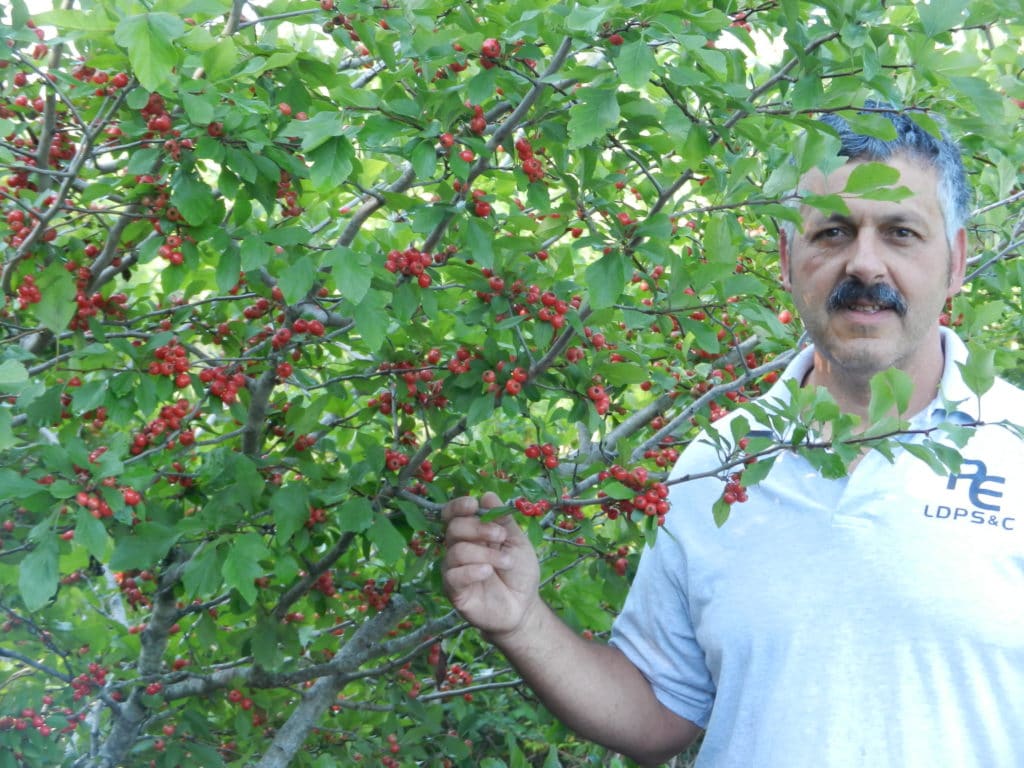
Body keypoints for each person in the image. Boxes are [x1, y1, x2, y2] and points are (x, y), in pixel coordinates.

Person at [441, 106, 1024, 767]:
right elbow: (658, 714)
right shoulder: (720, 464)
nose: (865, 265)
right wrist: (524, 623)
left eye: (900, 233)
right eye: (832, 232)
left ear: (955, 262)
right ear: (786, 258)